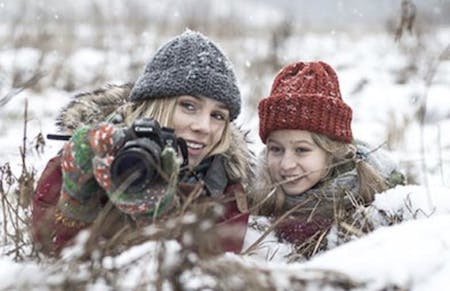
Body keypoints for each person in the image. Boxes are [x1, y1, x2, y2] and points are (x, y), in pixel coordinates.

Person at [31, 31, 252, 255]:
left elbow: (212, 266)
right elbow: (50, 254)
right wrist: (77, 200)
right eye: (189, 106)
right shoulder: (87, 156)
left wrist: (159, 216)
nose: (204, 127)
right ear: (155, 105)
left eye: (218, 116)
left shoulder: (224, 185)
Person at [250, 61, 405, 256]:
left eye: (301, 150)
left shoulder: (377, 200)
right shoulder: (253, 195)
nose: (286, 165)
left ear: (332, 151)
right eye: (276, 149)